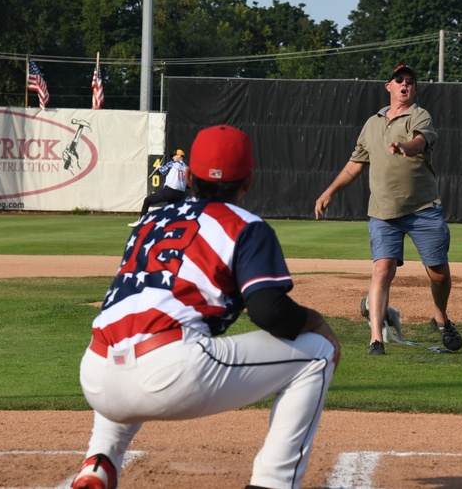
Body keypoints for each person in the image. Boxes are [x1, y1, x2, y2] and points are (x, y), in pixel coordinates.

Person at [72, 125, 340, 489]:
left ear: (192, 177)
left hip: (96, 374)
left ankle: (99, 463)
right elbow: (269, 311)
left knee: (129, 334)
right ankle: (273, 483)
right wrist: (317, 321)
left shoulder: (151, 220)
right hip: (171, 371)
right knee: (319, 353)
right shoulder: (246, 225)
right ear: (249, 179)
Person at [314, 64, 462, 356]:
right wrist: (330, 191)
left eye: (410, 81)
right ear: (389, 86)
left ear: (415, 89)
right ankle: (375, 340)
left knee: (439, 274)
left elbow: (421, 141)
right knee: (382, 269)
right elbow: (356, 163)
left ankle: (441, 318)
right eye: (399, 80)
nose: (405, 84)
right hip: (383, 212)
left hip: (422, 209)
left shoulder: (419, 115)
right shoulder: (372, 124)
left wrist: (407, 147)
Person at [128, 149, 187, 227]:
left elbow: (162, 171)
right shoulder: (187, 167)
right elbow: (189, 185)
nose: (173, 158)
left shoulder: (173, 163)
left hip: (170, 191)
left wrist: (159, 167)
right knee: (174, 211)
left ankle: (141, 221)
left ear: (179, 156)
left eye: (174, 156)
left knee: (147, 200)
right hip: (180, 194)